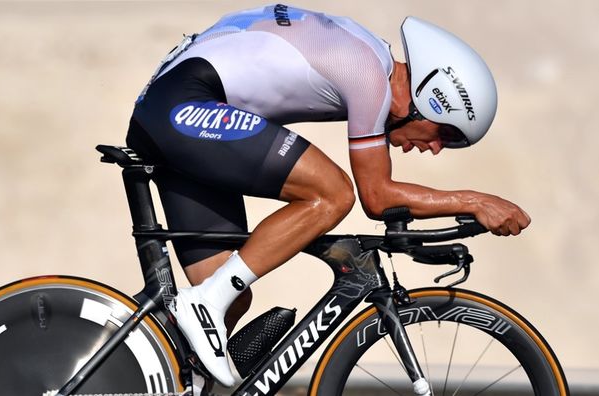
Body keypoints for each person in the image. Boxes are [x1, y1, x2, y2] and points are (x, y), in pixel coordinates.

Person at [125, 4, 530, 387]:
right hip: (185, 107)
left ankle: (184, 380)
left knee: (230, 299)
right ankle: (202, 305)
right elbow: (377, 197)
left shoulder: (367, 55)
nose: (437, 147)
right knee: (333, 193)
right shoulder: (370, 75)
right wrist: (475, 201)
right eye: (446, 133)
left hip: (172, 113)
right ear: (430, 97)